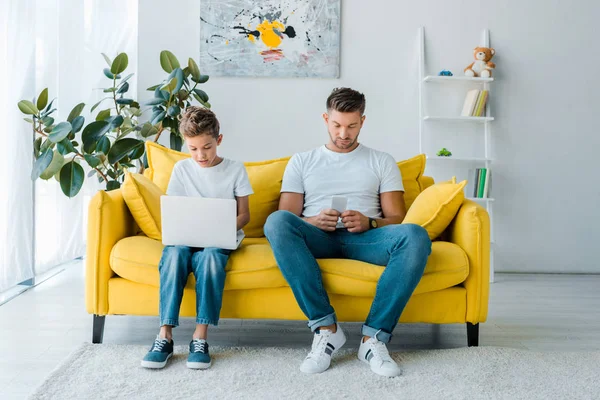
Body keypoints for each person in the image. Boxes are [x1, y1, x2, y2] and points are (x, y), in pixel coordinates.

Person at [264, 87, 431, 377]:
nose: (344, 133)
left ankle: (373, 339)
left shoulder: (381, 161)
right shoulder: (302, 161)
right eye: (337, 125)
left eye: (352, 126)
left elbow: (398, 218)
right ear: (325, 119)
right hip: (317, 238)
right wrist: (313, 221)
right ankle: (326, 329)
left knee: (416, 235)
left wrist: (370, 222)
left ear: (362, 122)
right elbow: (288, 216)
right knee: (276, 222)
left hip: (366, 239)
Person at [141, 107, 253, 370]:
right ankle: (164, 335)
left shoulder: (235, 169)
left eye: (207, 147)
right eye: (193, 149)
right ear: (186, 145)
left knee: (212, 258)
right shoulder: (181, 170)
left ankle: (200, 337)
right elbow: (175, 211)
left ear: (219, 140)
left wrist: (222, 227)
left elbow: (245, 215)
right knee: (174, 254)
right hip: (185, 237)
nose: (200, 155)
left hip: (220, 239)